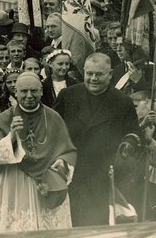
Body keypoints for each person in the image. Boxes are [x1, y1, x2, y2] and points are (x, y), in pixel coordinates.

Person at [53, 52, 140, 226]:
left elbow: (133, 133)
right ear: (83, 72)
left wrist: (128, 144)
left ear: (110, 75)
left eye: (99, 74)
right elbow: (53, 128)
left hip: (103, 176)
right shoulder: (67, 95)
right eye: (89, 73)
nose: (93, 78)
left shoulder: (122, 101)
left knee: (98, 225)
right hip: (72, 173)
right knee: (72, 224)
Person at [0, 72, 77, 233]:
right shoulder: (4, 118)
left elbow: (67, 150)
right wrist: (11, 136)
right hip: (15, 182)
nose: (29, 96)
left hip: (47, 181)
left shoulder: (53, 117)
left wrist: (61, 163)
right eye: (24, 91)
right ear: (16, 92)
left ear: (41, 91)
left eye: (34, 91)